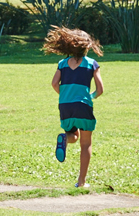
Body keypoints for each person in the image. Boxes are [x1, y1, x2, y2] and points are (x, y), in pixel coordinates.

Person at [44, 27, 104, 188]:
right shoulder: (92, 64)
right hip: (83, 106)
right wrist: (90, 97)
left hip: (65, 106)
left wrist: (64, 95)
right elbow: (100, 89)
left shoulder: (62, 64)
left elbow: (54, 83)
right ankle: (81, 181)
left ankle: (65, 139)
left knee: (73, 135)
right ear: (87, 46)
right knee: (85, 144)